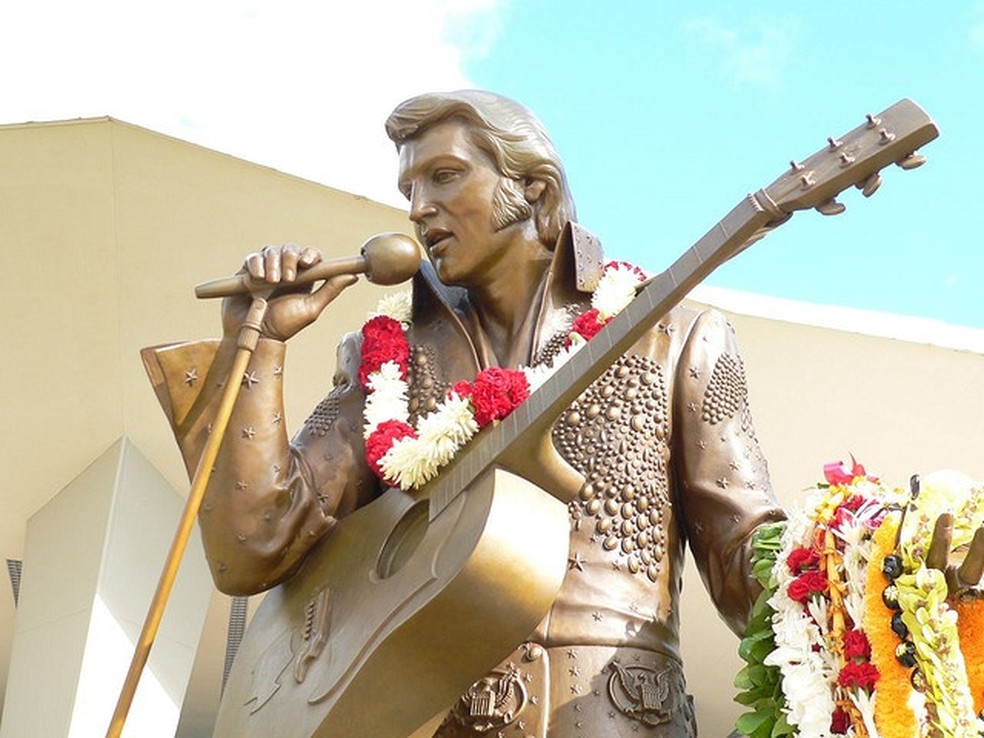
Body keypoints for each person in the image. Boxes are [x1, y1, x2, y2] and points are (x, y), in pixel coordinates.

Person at [143, 90, 980, 737]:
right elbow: (253, 548)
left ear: (531, 188)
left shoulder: (678, 336)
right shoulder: (383, 361)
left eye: (444, 176)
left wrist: (874, 553)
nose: (417, 207)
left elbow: (740, 554)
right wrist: (258, 350)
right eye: (407, 187)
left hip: (617, 715)